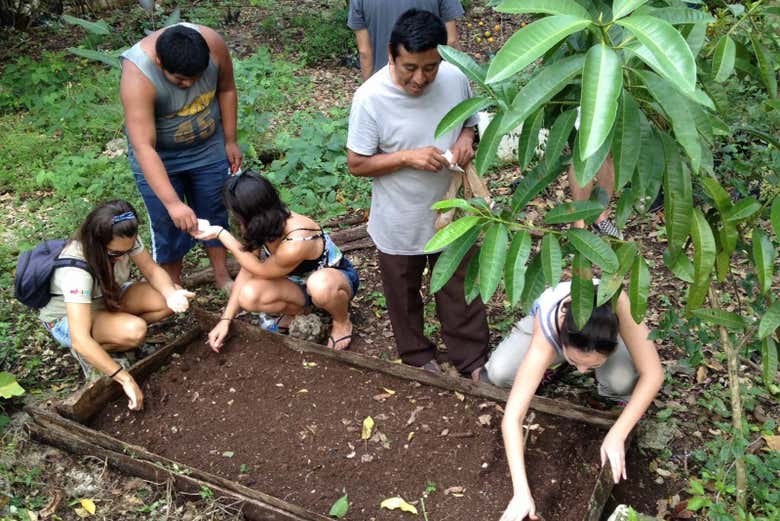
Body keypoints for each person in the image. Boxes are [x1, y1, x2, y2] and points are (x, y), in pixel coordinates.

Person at [346, 9, 489, 380]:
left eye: (430, 68)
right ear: (391, 53)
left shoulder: (456, 78)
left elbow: (470, 124)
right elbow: (357, 164)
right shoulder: (370, 98)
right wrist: (408, 157)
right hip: (399, 217)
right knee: (403, 291)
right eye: (410, 67)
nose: (420, 78)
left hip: (453, 210)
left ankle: (471, 358)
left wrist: (465, 139)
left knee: (460, 287)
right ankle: (415, 354)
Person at [484, 281, 664, 520]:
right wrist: (521, 493)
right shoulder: (549, 326)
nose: (581, 371)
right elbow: (512, 418)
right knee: (500, 372)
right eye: (575, 361)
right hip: (550, 332)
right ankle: (549, 366)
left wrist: (618, 433)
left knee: (621, 382)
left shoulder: (618, 303)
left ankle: (601, 369)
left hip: (604, 331)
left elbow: (654, 373)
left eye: (591, 365)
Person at [38, 200, 195, 411]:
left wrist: (171, 294)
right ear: (97, 243)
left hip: (107, 296)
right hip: (69, 319)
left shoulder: (123, 238)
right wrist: (125, 379)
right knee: (134, 331)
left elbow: (151, 270)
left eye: (127, 251)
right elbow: (80, 338)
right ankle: (100, 349)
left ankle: (114, 332)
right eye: (115, 254)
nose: (122, 257)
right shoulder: (76, 271)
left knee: (168, 296)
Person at [120, 23, 242, 291]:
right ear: (160, 62)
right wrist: (174, 203)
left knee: (214, 210)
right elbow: (144, 148)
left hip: (208, 147)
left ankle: (222, 276)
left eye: (196, 79)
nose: (189, 86)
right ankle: (173, 286)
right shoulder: (138, 75)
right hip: (160, 156)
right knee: (167, 221)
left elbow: (227, 89)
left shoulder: (214, 46)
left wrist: (230, 140)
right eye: (180, 81)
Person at [195, 172, 359, 352]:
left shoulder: (297, 239)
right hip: (299, 284)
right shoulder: (261, 224)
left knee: (319, 285)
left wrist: (221, 235)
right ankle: (302, 313)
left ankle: (342, 321)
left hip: (335, 280)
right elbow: (248, 269)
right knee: (248, 295)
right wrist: (225, 320)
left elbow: (260, 270)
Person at [348, 0, 464, 81]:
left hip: (385, 84)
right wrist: (458, 82)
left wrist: (369, 89)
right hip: (430, 81)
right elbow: (451, 42)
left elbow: (365, 52)